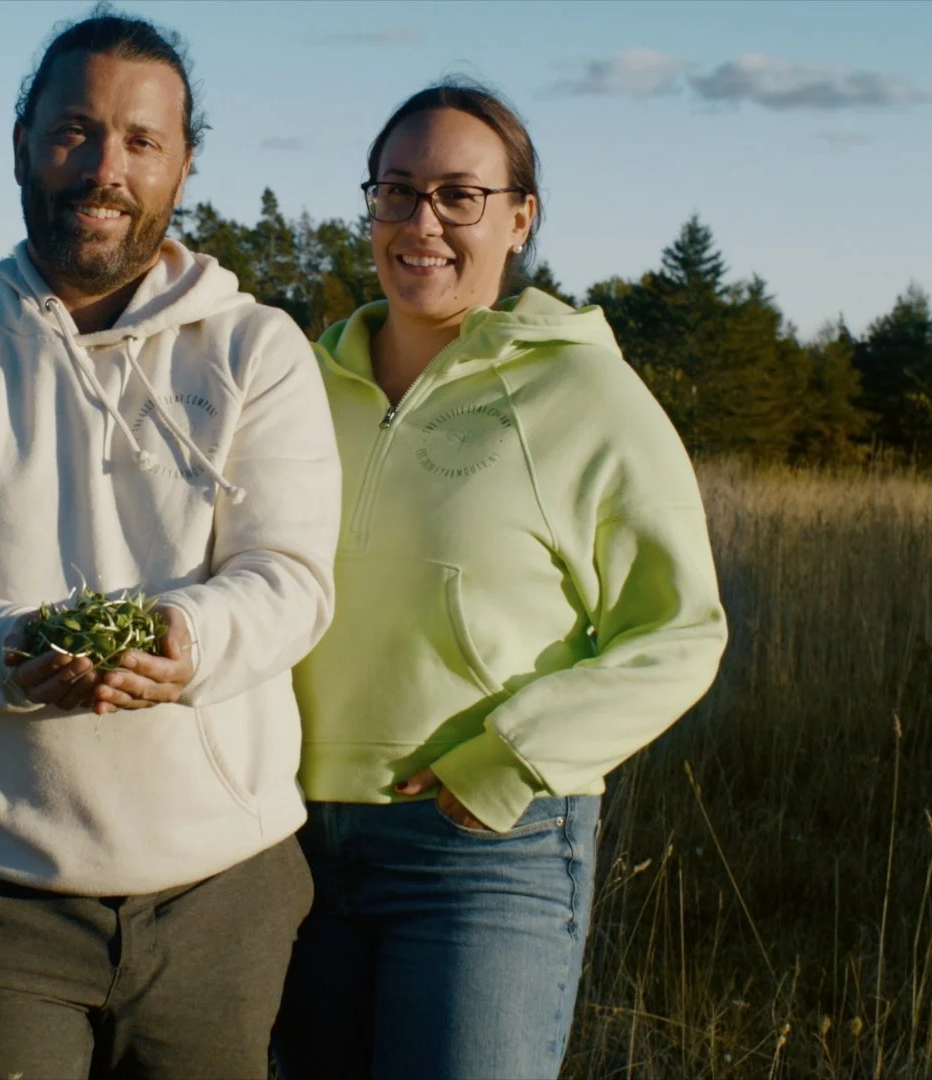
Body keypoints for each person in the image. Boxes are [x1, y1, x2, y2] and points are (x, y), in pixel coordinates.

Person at [0, 11, 340, 1078]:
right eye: (74, 131)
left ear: (184, 164)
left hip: (225, 890)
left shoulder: (260, 350)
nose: (104, 169)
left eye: (141, 141)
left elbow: (290, 578)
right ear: (23, 140)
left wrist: (186, 639)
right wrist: (13, 648)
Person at [274, 80, 730, 1080]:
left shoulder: (583, 390)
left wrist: (508, 761)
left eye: (458, 195)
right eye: (396, 192)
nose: (421, 223)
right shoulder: (296, 385)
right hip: (291, 847)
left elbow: (680, 631)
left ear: (520, 217)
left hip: (482, 851)